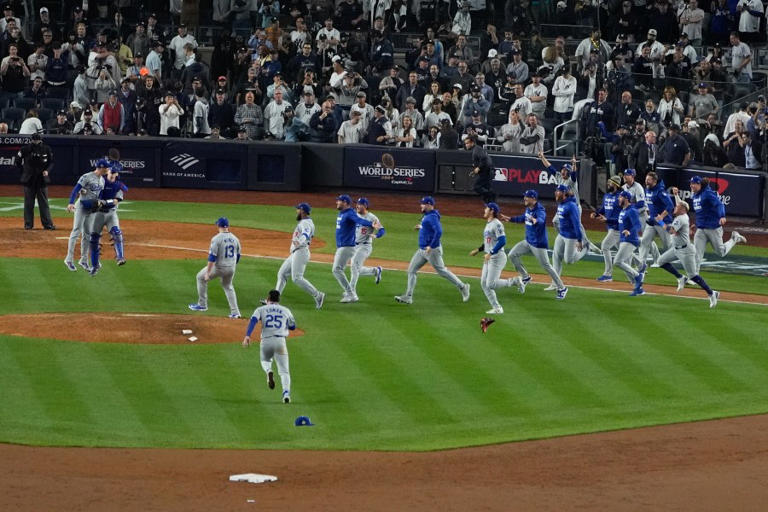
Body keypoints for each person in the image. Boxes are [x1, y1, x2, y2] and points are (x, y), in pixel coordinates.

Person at [395, 196, 470, 305]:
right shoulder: (428, 216)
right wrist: (421, 227)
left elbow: (439, 232)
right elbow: (429, 227)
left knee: (442, 271)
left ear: (430, 205)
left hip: (432, 250)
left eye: (423, 204)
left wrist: (431, 245)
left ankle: (463, 287)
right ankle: (408, 296)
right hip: (422, 250)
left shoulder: (432, 217)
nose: (421, 205)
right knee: (411, 270)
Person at [655, 194, 719, 307]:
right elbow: (681, 205)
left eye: (677, 207)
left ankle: (711, 293)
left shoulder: (681, 218)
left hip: (686, 251)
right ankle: (680, 277)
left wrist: (660, 221)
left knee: (693, 276)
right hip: (676, 249)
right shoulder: (682, 216)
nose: (675, 207)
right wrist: (676, 195)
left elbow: (671, 231)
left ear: (683, 209)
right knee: (660, 261)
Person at [503, 189, 567, 298]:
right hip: (528, 241)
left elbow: (542, 219)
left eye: (527, 197)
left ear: (533, 199)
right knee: (512, 255)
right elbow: (524, 217)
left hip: (538, 244)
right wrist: (511, 219)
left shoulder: (540, 210)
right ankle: (525, 276)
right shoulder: (529, 208)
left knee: (546, 266)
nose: (524, 198)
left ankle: (562, 288)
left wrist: (537, 221)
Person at [242, 289, 296, 404]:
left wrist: (247, 336)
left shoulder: (260, 309)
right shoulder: (286, 310)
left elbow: (253, 321)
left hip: (266, 340)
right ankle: (286, 394)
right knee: (284, 371)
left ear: (268, 298)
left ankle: (268, 370)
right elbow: (292, 327)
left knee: (265, 360)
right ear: (279, 299)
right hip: (280, 341)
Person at [188, 217, 242, 319]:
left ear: (218, 226)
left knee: (200, 277)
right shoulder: (236, 239)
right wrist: (232, 266)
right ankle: (236, 313)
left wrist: (208, 273)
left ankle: (202, 305)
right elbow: (238, 256)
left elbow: (212, 257)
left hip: (219, 267)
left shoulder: (216, 239)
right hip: (231, 268)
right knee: (228, 286)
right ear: (228, 226)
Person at [275, 203, 325, 309]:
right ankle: (274, 301)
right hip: (297, 252)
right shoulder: (306, 222)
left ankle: (318, 295)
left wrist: (299, 241)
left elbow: (305, 234)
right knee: (282, 274)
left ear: (302, 211)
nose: (296, 211)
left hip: (301, 251)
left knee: (297, 278)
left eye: (297, 209)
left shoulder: (305, 223)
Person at [65, 160, 110, 274]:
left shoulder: (102, 180)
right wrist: (71, 203)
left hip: (91, 209)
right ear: (100, 167)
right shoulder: (87, 177)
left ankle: (83, 260)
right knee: (76, 231)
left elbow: (99, 195)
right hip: (81, 206)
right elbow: (76, 189)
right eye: (106, 168)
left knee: (87, 234)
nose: (108, 170)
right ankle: (69, 259)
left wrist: (99, 204)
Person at [689, 176, 747, 265]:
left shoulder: (707, 193)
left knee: (721, 252)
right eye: (691, 184)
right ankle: (694, 277)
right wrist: (696, 224)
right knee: (697, 256)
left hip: (713, 228)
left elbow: (719, 204)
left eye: (693, 184)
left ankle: (734, 238)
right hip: (701, 229)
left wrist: (722, 216)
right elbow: (701, 212)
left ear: (699, 184)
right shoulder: (695, 195)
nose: (691, 186)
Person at [333, 194, 379, 303]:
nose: (336, 202)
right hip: (344, 246)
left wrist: (371, 224)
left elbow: (359, 220)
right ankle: (374, 272)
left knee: (337, 270)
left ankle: (351, 293)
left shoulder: (350, 213)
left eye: (339, 201)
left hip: (347, 246)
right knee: (348, 269)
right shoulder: (342, 213)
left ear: (345, 202)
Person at [469, 202, 512, 314]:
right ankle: (497, 308)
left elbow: (502, 241)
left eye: (486, 208)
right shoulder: (489, 224)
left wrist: (490, 253)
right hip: (490, 257)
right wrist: (478, 250)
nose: (484, 210)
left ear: (492, 211)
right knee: (484, 283)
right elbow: (489, 243)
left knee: (491, 284)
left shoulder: (497, 224)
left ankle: (514, 281)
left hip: (497, 257)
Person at [349, 198, 385, 299]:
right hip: (353, 246)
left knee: (354, 266)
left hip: (365, 246)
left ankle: (351, 291)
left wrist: (377, 235)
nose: (357, 206)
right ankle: (376, 271)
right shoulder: (354, 215)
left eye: (360, 204)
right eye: (357, 204)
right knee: (357, 269)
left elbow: (382, 230)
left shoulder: (372, 217)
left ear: (365, 206)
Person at [17, 133, 55, 231]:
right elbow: (18, 161)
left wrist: (47, 170)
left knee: (44, 203)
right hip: (29, 179)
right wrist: (24, 171)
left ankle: (48, 224)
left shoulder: (46, 149)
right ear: (31, 140)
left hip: (41, 179)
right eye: (34, 140)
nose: (36, 142)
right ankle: (28, 224)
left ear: (40, 140)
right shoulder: (25, 149)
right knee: (29, 203)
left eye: (37, 140)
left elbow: (51, 162)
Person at [592, 176, 623, 282]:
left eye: (610, 183)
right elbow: (603, 209)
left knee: (605, 246)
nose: (608, 184)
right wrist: (596, 214)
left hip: (617, 228)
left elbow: (621, 216)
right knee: (623, 249)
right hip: (610, 227)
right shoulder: (606, 195)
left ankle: (608, 274)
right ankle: (641, 265)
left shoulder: (620, 197)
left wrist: (607, 220)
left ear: (615, 185)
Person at [615, 190, 646, 296]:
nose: (618, 199)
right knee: (626, 266)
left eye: (620, 197)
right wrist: (606, 220)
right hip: (624, 240)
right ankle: (638, 289)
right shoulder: (623, 210)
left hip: (630, 240)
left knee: (617, 262)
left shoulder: (632, 210)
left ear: (626, 199)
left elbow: (638, 225)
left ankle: (638, 276)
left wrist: (629, 230)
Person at [99, 162, 128, 266]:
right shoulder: (100, 181)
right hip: (97, 213)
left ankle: (120, 257)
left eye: (114, 173)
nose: (112, 174)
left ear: (117, 174)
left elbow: (116, 200)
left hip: (111, 213)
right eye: (111, 172)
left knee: (117, 234)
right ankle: (94, 258)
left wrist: (106, 202)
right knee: (95, 236)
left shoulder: (118, 185)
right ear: (108, 172)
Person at [465, 134, 495, 203]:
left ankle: (492, 196)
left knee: (477, 187)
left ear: (472, 143)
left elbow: (484, 158)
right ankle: (491, 204)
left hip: (487, 172)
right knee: (486, 189)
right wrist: (474, 171)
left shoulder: (477, 149)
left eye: (467, 143)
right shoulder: (477, 149)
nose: (466, 145)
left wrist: (478, 168)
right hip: (487, 171)